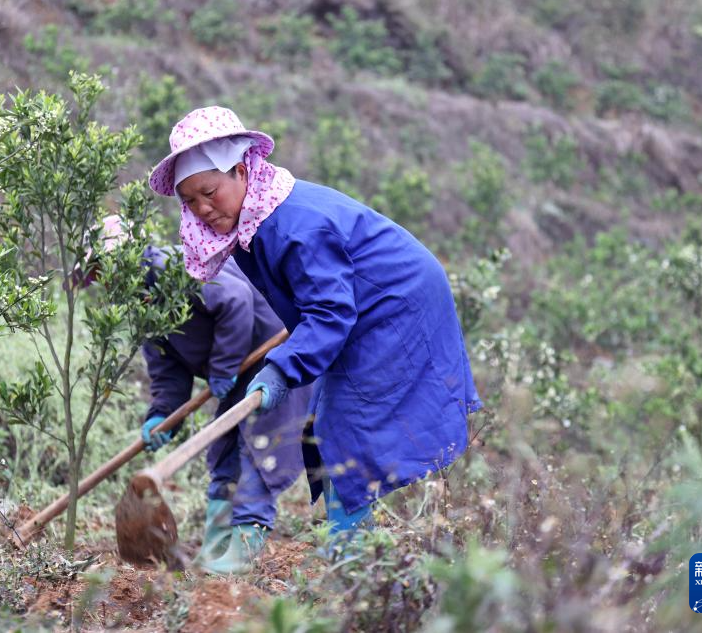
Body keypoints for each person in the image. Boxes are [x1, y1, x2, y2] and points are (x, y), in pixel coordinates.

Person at [148, 106, 482, 547]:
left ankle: (354, 559)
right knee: (323, 429)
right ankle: (358, 549)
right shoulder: (252, 223)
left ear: (242, 172)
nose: (203, 209)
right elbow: (316, 302)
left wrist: (282, 368)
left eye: (210, 192)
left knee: (346, 430)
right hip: (359, 308)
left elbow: (329, 312)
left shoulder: (293, 225)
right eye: (190, 201)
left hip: (392, 305)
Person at [137, 244, 314, 574]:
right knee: (225, 451)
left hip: (275, 357)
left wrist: (222, 367)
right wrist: (162, 413)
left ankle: (242, 550)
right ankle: (217, 544)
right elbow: (168, 370)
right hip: (238, 371)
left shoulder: (176, 269)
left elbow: (234, 299)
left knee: (260, 450)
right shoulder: (141, 306)